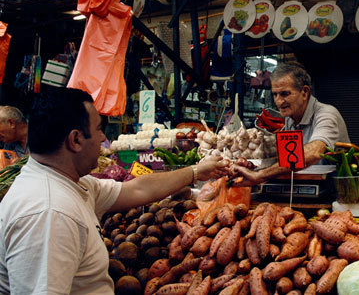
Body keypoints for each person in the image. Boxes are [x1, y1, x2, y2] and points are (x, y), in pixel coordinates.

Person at [0, 87, 227, 294]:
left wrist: (196, 171)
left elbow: (137, 188)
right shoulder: (49, 214)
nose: (103, 138)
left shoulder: (68, 181)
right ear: (76, 140)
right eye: (99, 129)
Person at [234, 62, 350, 185]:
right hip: (305, 185)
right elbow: (286, 160)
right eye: (275, 94)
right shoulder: (290, 119)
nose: (278, 101)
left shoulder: (326, 114)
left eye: (284, 94)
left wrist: (260, 175)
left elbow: (315, 152)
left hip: (338, 191)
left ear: (304, 92)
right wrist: (254, 167)